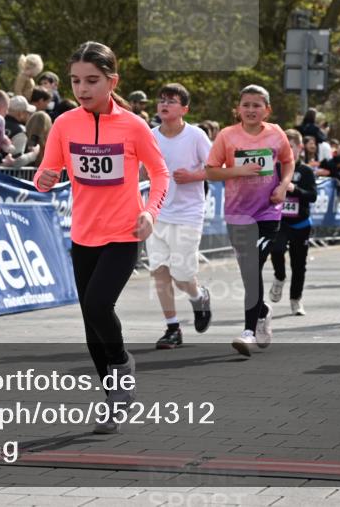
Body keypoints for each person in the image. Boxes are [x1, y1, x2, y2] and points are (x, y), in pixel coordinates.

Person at [33, 41, 168, 434]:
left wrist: (150, 212)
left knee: (97, 304)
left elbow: (160, 174)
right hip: (84, 235)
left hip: (124, 233)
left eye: (92, 80)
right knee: (91, 321)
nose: (82, 88)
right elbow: (48, 172)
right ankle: (113, 398)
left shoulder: (134, 125)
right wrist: (44, 180)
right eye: (75, 81)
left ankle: (123, 363)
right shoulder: (64, 123)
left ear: (112, 81)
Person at [206, 84, 294, 357]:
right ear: (238, 109)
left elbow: (288, 161)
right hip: (237, 214)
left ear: (267, 110)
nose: (251, 109)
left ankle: (247, 332)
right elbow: (211, 172)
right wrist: (238, 170)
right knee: (249, 272)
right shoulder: (227, 136)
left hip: (268, 213)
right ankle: (263, 312)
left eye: (257, 105)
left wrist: (283, 186)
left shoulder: (276, 133)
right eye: (246, 104)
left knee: (253, 263)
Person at [148, 83, 213, 349]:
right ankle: (172, 328)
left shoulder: (196, 136)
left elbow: (215, 169)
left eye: (171, 101)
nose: (164, 104)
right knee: (159, 271)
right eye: (161, 100)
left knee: (182, 275)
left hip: (187, 213)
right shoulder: (150, 134)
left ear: (184, 108)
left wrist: (193, 176)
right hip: (157, 212)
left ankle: (199, 297)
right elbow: (141, 168)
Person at [268, 128, 317, 316]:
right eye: (283, 147)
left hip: (300, 223)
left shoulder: (305, 171)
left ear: (300, 148)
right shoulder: (274, 168)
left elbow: (312, 196)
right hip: (279, 220)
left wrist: (294, 188)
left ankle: (296, 300)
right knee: (277, 250)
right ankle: (279, 277)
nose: (286, 150)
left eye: (291, 146)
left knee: (298, 265)